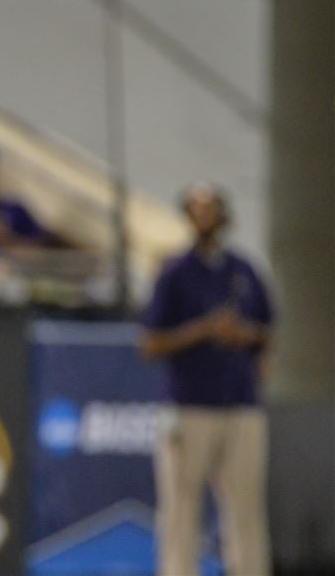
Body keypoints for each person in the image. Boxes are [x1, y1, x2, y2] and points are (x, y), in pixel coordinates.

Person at [141, 182, 273, 576]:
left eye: (211, 208)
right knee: (181, 509)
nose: (205, 216)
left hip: (240, 403)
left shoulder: (243, 269)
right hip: (190, 404)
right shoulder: (175, 272)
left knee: (246, 509)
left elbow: (268, 330)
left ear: (223, 214)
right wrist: (202, 330)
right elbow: (149, 343)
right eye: (196, 208)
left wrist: (242, 335)